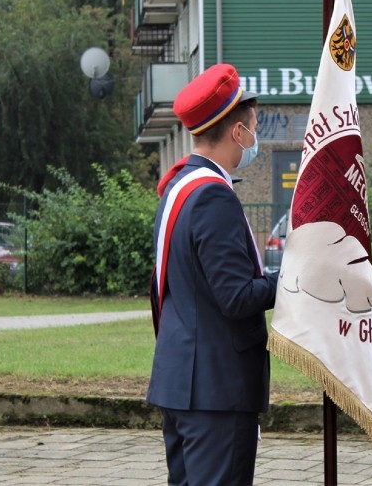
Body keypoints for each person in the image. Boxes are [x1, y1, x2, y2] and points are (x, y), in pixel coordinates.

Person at [147, 63, 278, 486]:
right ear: (238, 132)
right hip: (216, 388)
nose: (256, 137)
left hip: (183, 379)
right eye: (254, 126)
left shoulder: (178, 189)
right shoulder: (212, 197)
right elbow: (236, 296)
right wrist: (296, 281)